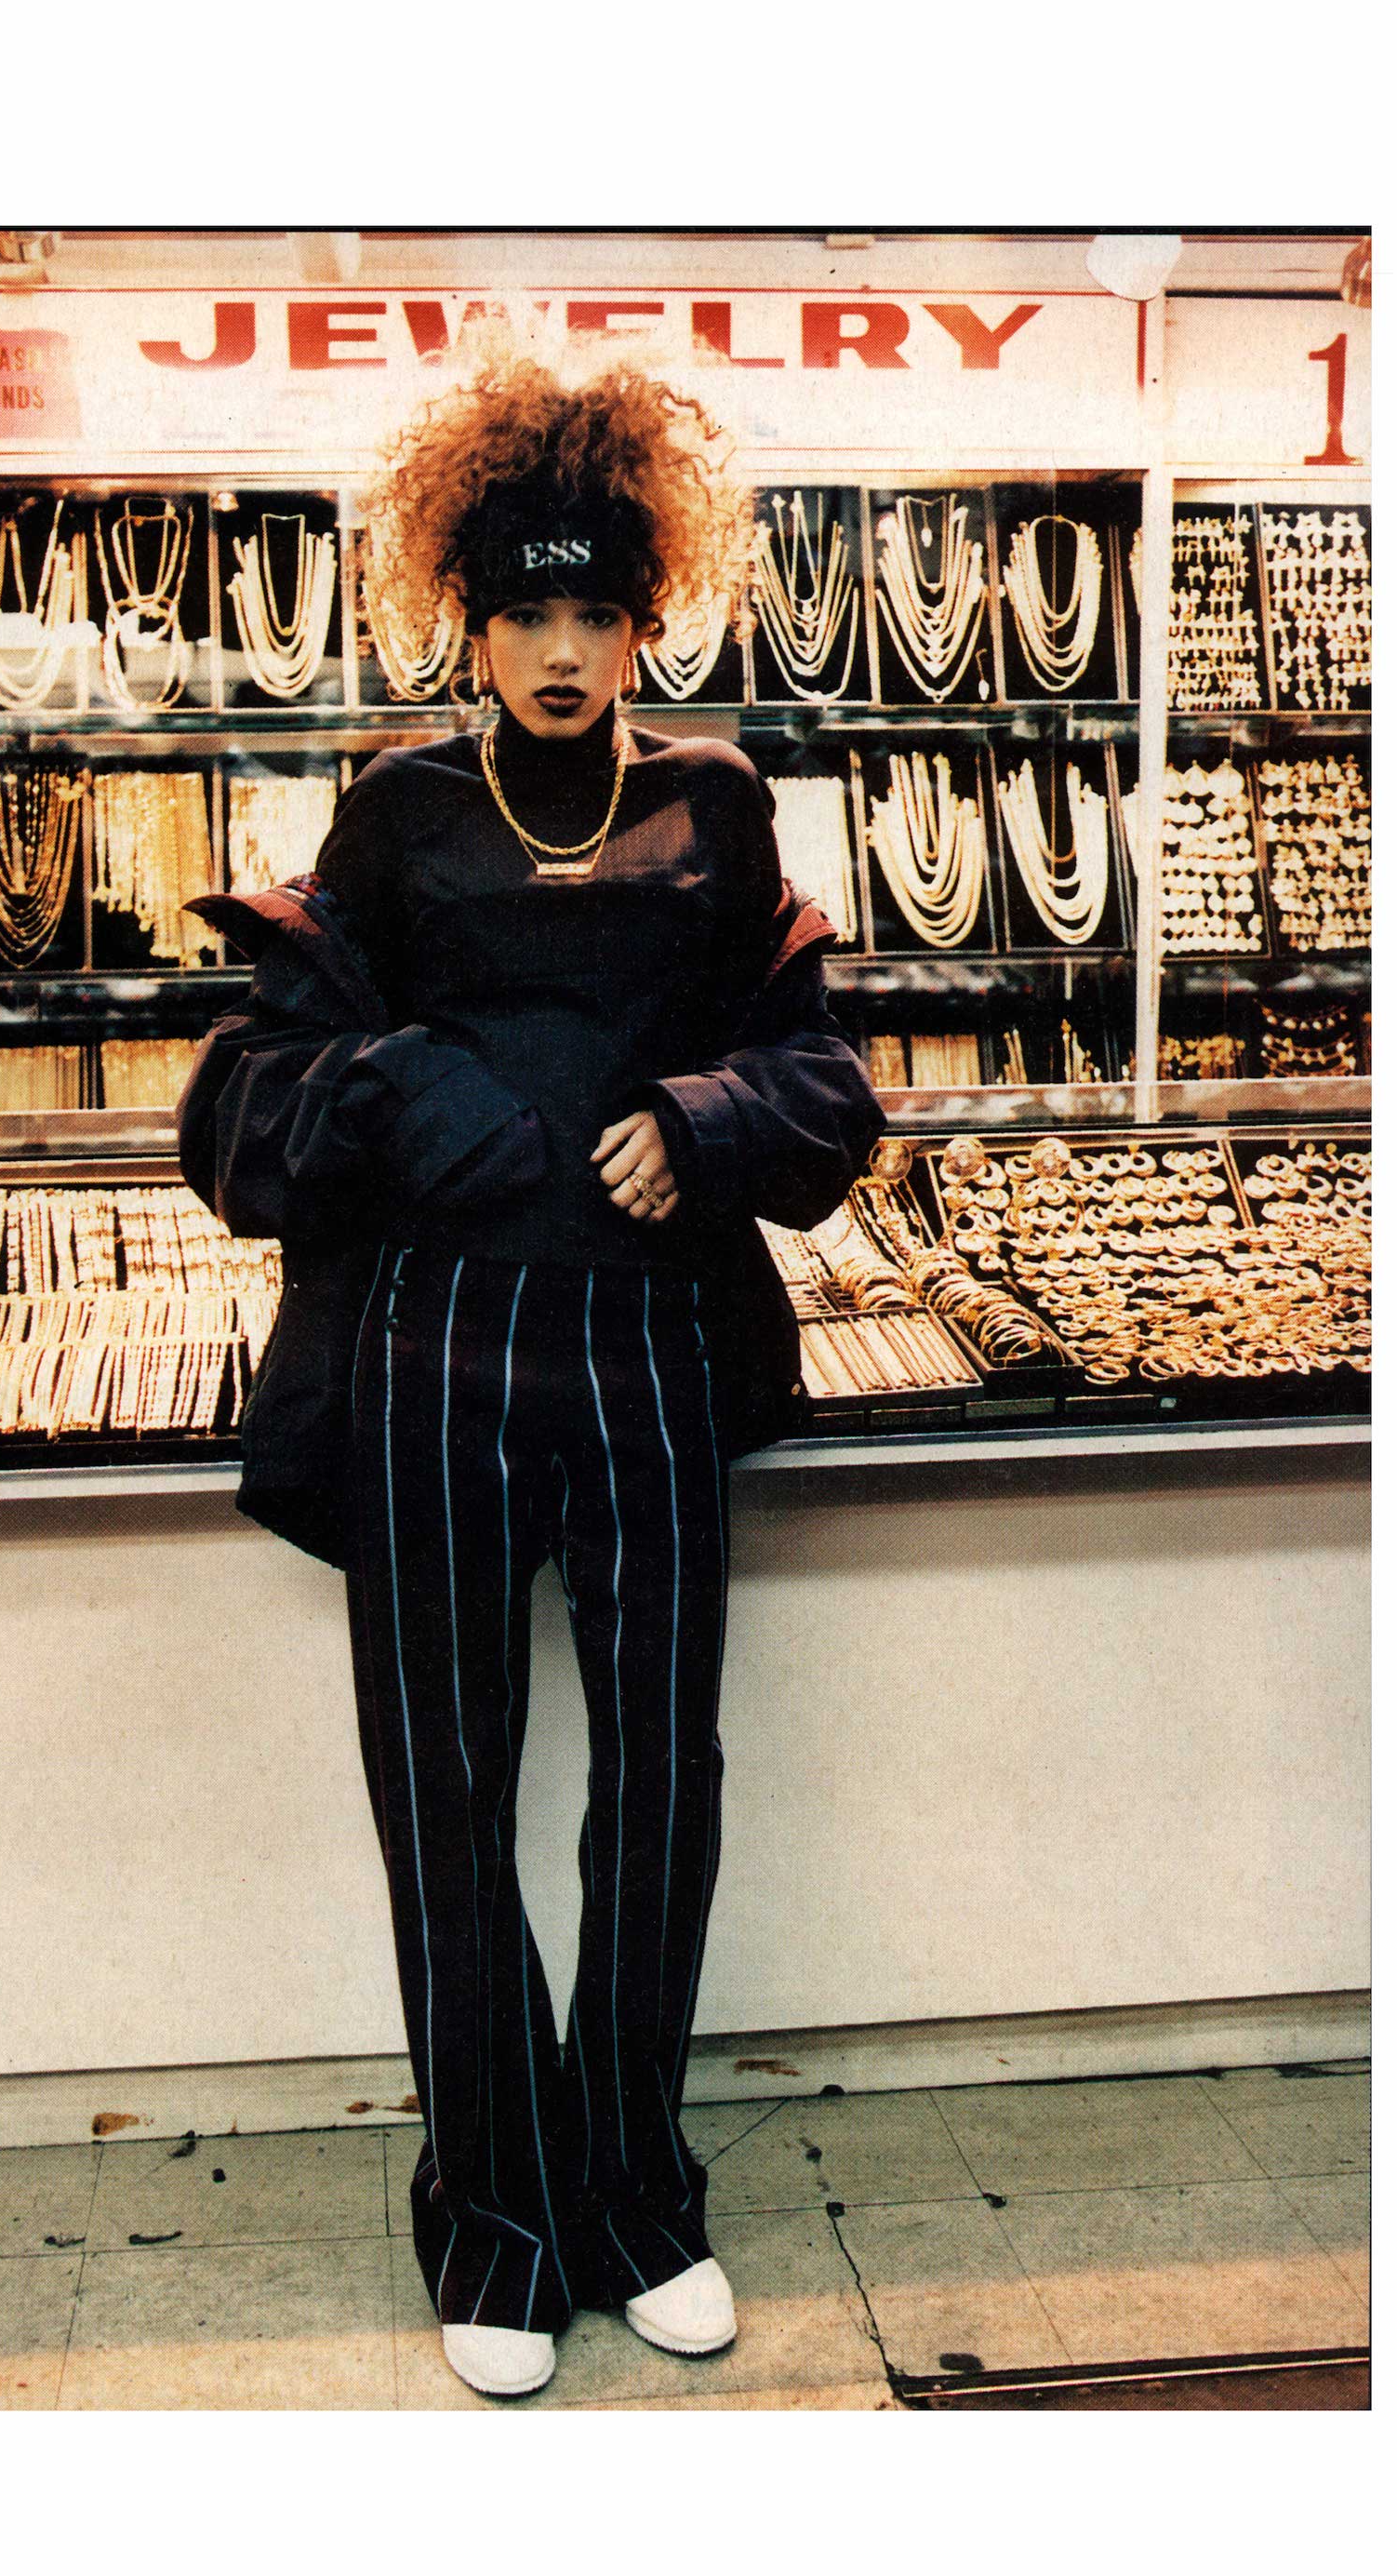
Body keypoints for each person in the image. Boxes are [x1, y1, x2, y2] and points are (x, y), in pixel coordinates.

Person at [176, 344, 884, 2397]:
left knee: (662, 1788)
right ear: (464, 618)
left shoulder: (717, 803)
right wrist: (418, 1097)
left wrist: (710, 1118)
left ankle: (634, 2191)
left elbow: (821, 1075)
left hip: (651, 1346)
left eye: (599, 613)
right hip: (428, 1357)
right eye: (526, 613)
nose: (563, 652)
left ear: (645, 615)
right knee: (446, 1795)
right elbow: (264, 1073)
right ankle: (490, 2213)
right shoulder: (395, 813)